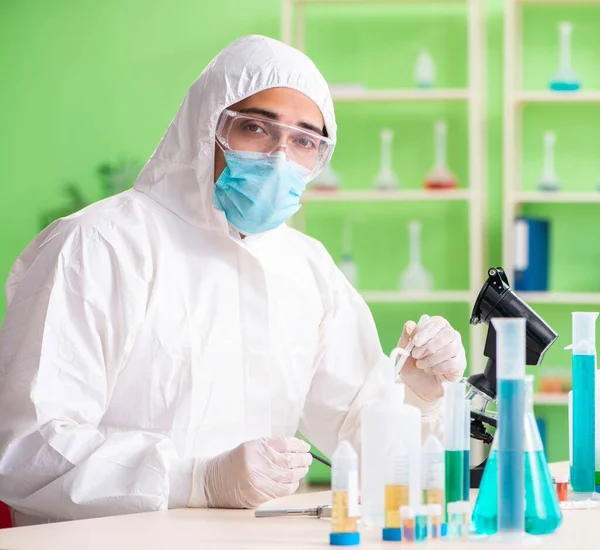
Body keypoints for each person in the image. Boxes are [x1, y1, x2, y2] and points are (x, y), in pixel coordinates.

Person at [0, 35, 466, 526]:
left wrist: (413, 395)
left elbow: (359, 441)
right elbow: (27, 447)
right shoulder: (99, 246)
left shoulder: (305, 267)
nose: (280, 157)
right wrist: (195, 479)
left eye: (305, 140)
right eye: (254, 128)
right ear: (205, 127)